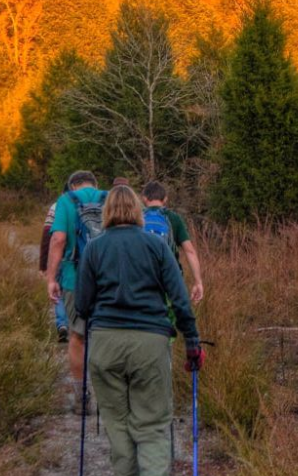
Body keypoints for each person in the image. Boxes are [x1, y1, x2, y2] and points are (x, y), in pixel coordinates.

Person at [76, 185, 203, 476]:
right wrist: (192, 342)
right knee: (152, 425)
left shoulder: (94, 248)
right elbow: (180, 300)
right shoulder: (157, 246)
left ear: (107, 212)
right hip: (150, 343)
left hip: (105, 345)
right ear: (138, 210)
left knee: (117, 425)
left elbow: (82, 305)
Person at [45, 170, 108, 387]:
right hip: (109, 277)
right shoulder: (109, 197)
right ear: (95, 184)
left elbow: (58, 239)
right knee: (107, 334)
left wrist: (51, 278)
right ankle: (106, 388)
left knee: (77, 335)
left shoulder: (65, 201)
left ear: (73, 186)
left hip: (75, 278)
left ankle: (81, 392)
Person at [141, 181, 204, 303]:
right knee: (170, 317)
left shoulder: (136, 218)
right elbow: (189, 251)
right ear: (165, 199)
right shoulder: (174, 218)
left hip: (142, 280)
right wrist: (198, 282)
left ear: (144, 198)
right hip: (170, 279)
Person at [38, 200, 69, 342]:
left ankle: (62, 324)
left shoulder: (56, 206)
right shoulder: (88, 203)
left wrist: (43, 264)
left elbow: (47, 234)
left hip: (59, 256)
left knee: (58, 291)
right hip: (80, 257)